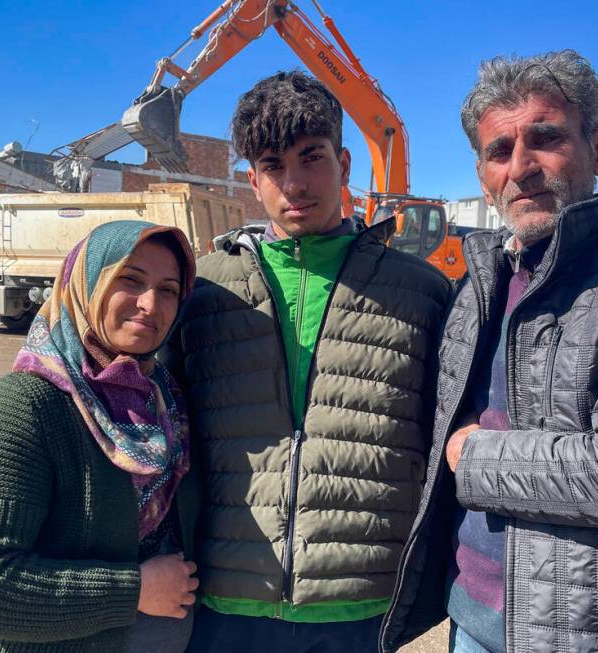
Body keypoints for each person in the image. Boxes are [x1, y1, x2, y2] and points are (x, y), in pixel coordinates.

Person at [381, 50, 598, 653]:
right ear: (482, 173)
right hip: (472, 619)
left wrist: (472, 456)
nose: (521, 167)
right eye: (499, 151)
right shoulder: (477, 284)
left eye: (544, 138)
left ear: (597, 147)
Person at [175, 71, 451, 652]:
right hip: (228, 596)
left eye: (312, 157)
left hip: (360, 599)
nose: (294, 183)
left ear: (346, 164)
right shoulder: (205, 289)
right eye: (273, 165)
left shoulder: (421, 292)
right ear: (252, 180)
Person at [0, 221, 201, 652]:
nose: (151, 304)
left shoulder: (166, 399)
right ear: (85, 283)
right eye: (129, 280)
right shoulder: (27, 403)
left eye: (169, 289)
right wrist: (133, 592)